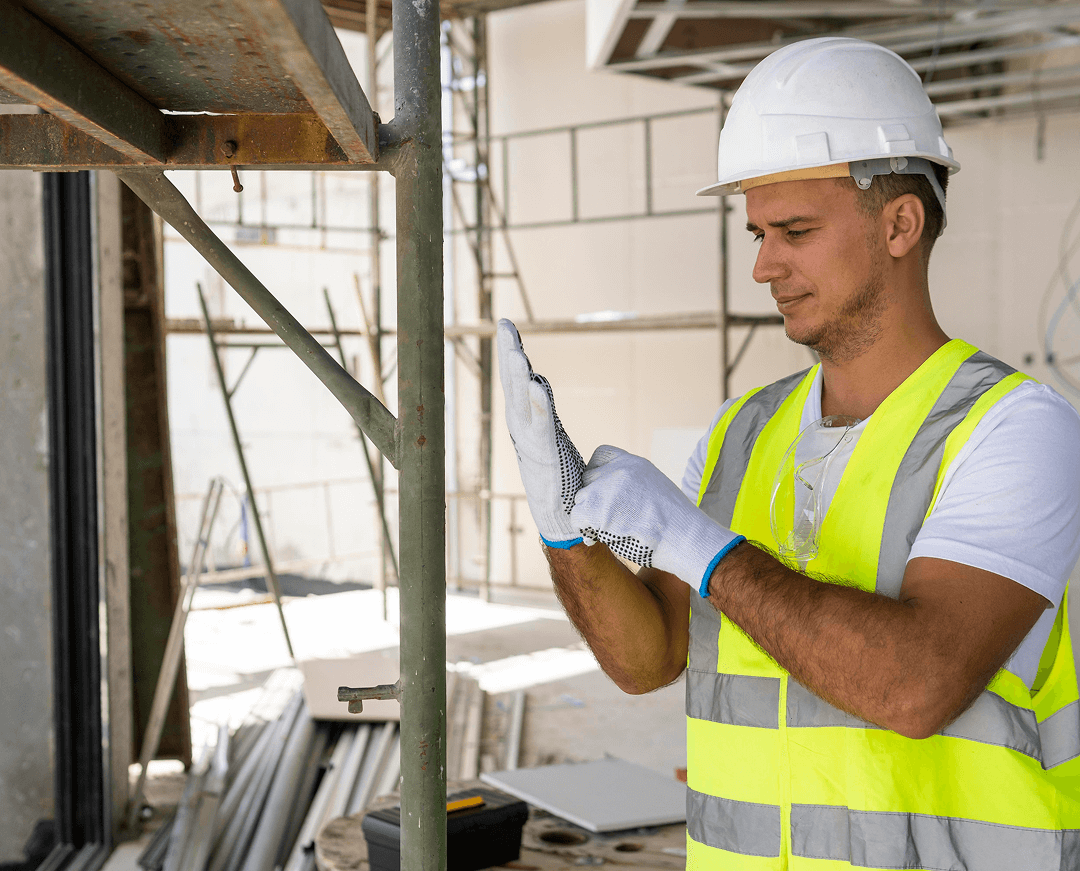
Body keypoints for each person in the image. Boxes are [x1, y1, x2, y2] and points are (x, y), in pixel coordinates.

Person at [497, 36, 1080, 871]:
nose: (765, 265)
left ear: (900, 224)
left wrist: (704, 550)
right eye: (758, 233)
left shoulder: (1014, 429)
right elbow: (649, 659)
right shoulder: (739, 431)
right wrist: (565, 534)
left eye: (796, 231)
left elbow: (917, 685)